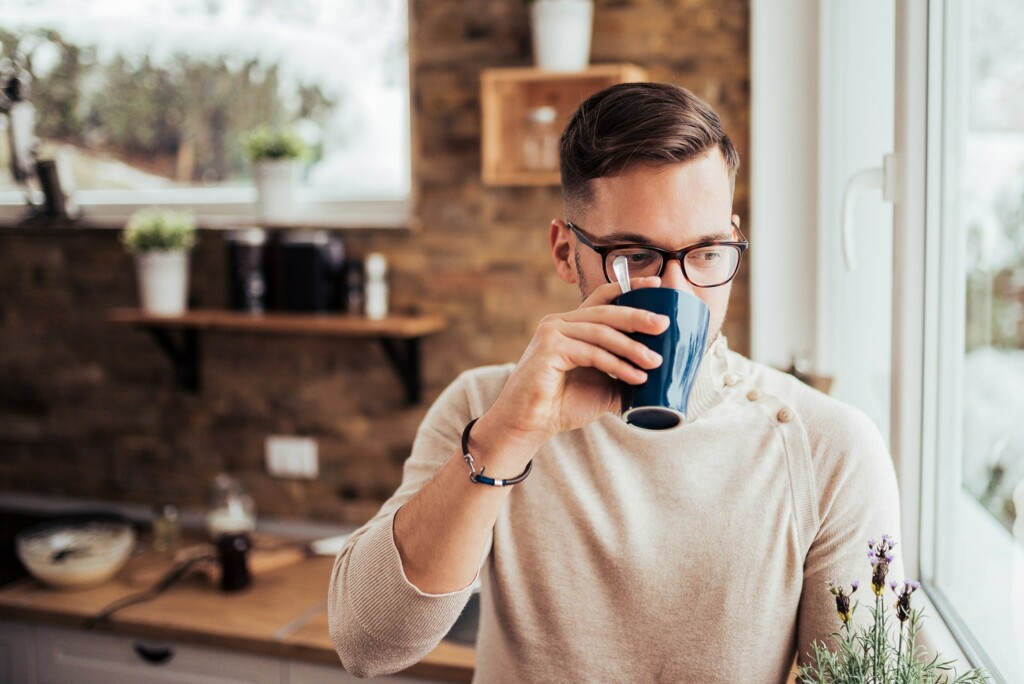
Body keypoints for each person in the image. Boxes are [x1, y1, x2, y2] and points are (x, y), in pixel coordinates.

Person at [328, 82, 903, 682]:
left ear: (733, 240)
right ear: (564, 251)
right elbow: (368, 647)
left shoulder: (828, 448)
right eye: (637, 256)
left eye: (707, 253)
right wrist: (508, 437)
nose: (677, 294)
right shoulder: (483, 409)